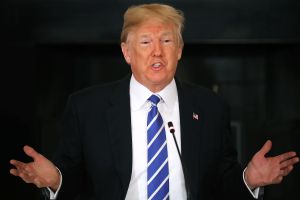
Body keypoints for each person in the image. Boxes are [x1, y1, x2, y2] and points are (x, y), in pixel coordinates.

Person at [10, 3, 299, 200]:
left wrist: (250, 178)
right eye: (146, 42)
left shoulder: (210, 107)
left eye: (167, 41)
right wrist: (55, 180)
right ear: (127, 52)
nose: (157, 52)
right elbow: (75, 179)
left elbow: (221, 183)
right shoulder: (87, 107)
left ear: (180, 50)